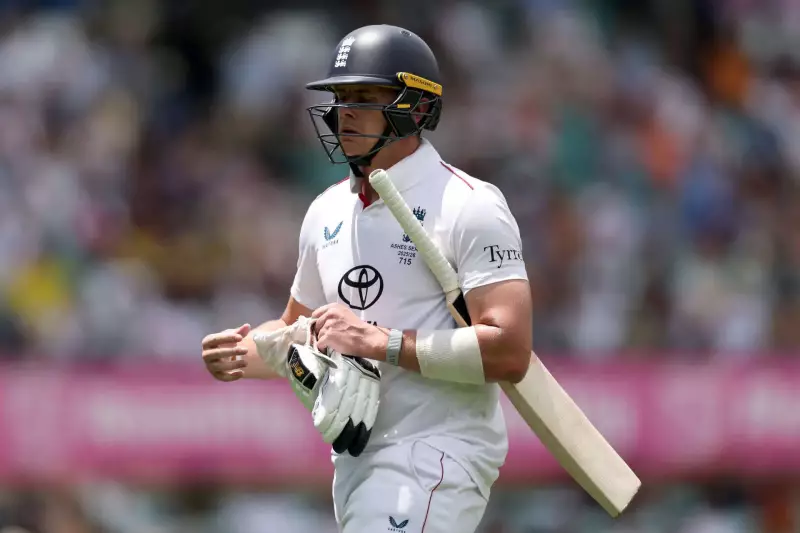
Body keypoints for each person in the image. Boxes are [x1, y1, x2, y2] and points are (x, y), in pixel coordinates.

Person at [200, 24, 532, 533]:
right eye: (340, 98)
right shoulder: (326, 211)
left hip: (437, 453)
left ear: (416, 107)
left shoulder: (469, 206)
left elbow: (509, 351)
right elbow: (296, 331)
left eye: (364, 98)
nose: (344, 112)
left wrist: (381, 342)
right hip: (357, 463)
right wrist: (242, 353)